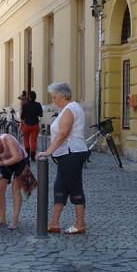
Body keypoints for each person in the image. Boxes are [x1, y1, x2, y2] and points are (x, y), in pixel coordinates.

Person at [36, 82, 88, 235]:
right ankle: (53, 222)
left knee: (74, 187)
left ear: (63, 95)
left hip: (72, 152)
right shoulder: (66, 109)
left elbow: (63, 133)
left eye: (54, 97)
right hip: (65, 154)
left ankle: (80, 223)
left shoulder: (70, 109)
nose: (53, 100)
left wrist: (48, 151)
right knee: (60, 187)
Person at [0, 132, 29, 230]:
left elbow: (16, 158)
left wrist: (2, 163)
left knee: (15, 188)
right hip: (4, 163)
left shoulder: (6, 139)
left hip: (20, 160)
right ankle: (2, 219)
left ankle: (15, 219)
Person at [20, 90, 43, 162]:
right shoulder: (38, 105)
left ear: (29, 97)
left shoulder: (25, 105)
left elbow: (22, 116)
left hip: (27, 124)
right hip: (35, 124)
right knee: (33, 141)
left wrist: (22, 123)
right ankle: (33, 156)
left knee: (26, 139)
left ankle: (27, 154)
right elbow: (41, 115)